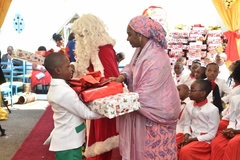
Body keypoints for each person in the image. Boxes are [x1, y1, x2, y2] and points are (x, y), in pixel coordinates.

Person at [109, 15, 180, 159]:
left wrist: (117, 100)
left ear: (140, 35)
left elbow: (147, 94)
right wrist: (122, 77)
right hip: (142, 109)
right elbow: (131, 67)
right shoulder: (141, 51)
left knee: (154, 152)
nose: (127, 38)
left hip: (156, 113)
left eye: (130, 34)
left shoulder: (156, 57)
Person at [71, 13, 120, 160]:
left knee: (101, 140)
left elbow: (110, 76)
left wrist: (86, 80)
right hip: (95, 96)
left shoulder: (103, 48)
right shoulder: (94, 48)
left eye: (82, 34)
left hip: (102, 97)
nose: (79, 38)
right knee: (96, 138)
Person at [44, 52, 102, 160]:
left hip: (68, 140)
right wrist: (110, 110)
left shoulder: (59, 87)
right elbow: (87, 113)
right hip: (68, 143)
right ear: (58, 70)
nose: (71, 69)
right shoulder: (64, 92)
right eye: (68, 66)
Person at [178, 79, 220, 160]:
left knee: (185, 150)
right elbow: (187, 124)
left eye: (192, 90)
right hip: (191, 135)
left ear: (202, 93)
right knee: (173, 143)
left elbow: (211, 134)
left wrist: (193, 139)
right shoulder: (189, 105)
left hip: (203, 140)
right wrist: (187, 134)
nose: (189, 92)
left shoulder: (213, 109)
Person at [211, 94, 240, 160]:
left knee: (234, 143)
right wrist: (229, 130)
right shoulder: (235, 98)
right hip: (236, 128)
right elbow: (232, 119)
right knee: (216, 142)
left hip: (238, 131)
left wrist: (235, 131)